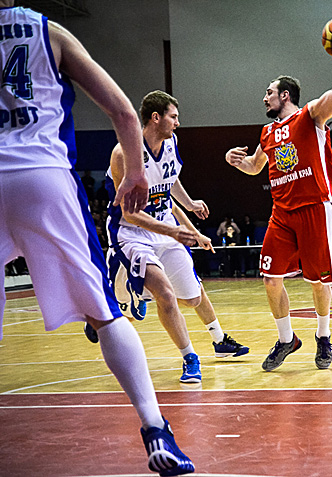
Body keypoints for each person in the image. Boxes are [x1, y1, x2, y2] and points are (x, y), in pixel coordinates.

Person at [0, 2, 195, 475]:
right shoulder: (49, 32)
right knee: (105, 314)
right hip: (44, 179)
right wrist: (136, 173)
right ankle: (156, 430)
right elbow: (122, 110)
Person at [225, 23, 332, 371]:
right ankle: (287, 338)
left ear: (285, 96)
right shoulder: (267, 132)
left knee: (318, 280)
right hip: (282, 212)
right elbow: (255, 167)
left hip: (314, 207)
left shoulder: (310, 116)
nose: (265, 98)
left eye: (269, 93)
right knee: (270, 278)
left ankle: (323, 335)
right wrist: (236, 162)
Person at [84, 91, 249, 383]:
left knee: (192, 298)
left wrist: (190, 207)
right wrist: (175, 231)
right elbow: (130, 214)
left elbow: (169, 184)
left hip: (165, 229)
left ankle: (117, 304)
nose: (178, 122)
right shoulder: (124, 154)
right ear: (155, 117)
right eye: (173, 116)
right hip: (132, 234)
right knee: (165, 294)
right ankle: (190, 358)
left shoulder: (171, 143)